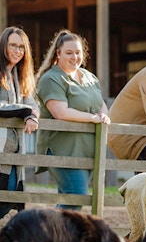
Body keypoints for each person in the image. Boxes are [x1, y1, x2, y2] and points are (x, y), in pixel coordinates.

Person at [35, 29, 110, 210]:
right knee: (77, 197)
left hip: (88, 149)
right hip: (63, 149)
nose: (74, 57)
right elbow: (61, 112)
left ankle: (56, 236)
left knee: (71, 200)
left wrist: (104, 116)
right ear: (58, 54)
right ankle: (53, 235)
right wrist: (93, 119)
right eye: (69, 53)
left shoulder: (90, 77)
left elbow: (101, 105)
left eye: (78, 52)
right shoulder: (51, 79)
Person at [0, 26, 39, 219]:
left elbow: (32, 104)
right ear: (3, 46)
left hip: (15, 152)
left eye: (21, 47)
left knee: (9, 200)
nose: (17, 50)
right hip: (1, 150)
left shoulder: (20, 75)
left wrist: (31, 115)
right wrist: (26, 112)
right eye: (13, 45)